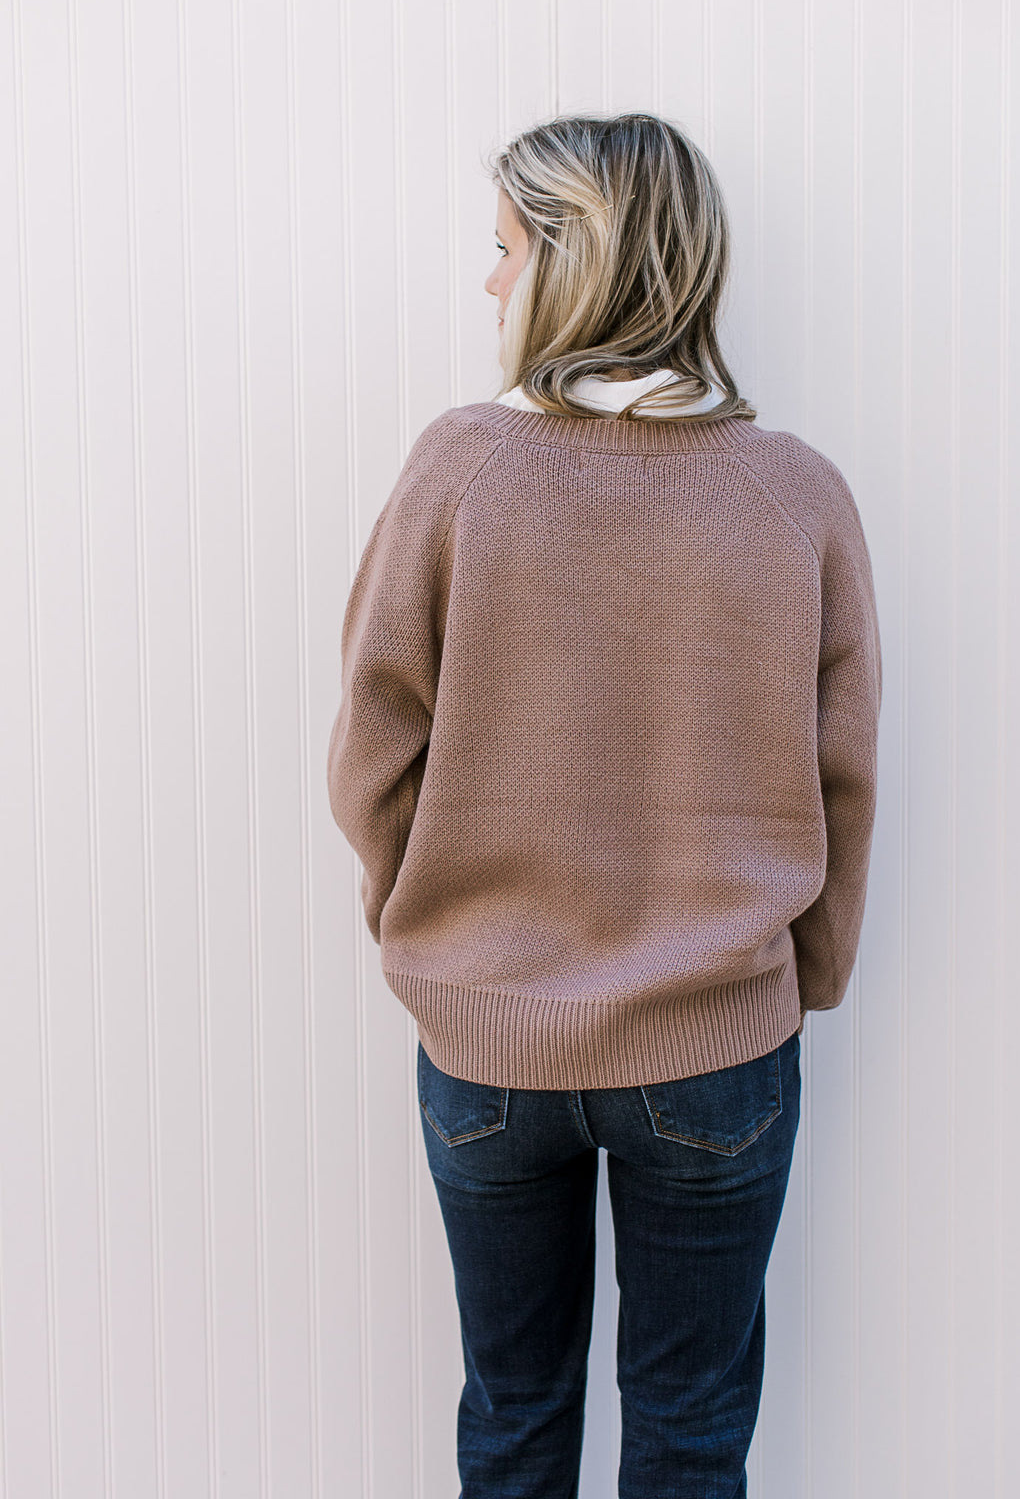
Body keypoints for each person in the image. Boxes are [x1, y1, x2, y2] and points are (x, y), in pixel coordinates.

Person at [327, 112, 882, 1499]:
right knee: (691, 1430)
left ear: (577, 263)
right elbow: (847, 774)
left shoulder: (458, 470)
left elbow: (371, 750)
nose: (492, 283)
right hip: (717, 1048)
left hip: (490, 1048)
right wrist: (799, 976)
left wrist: (430, 936)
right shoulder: (798, 494)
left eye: (507, 249)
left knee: (515, 1418)